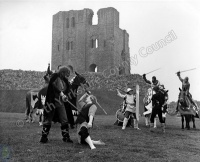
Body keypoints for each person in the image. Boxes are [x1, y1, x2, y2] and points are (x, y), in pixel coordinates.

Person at [40, 66, 73, 143]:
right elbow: (52, 85)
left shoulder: (64, 80)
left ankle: (66, 137)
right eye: (66, 73)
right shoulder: (55, 76)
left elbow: (66, 89)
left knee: (64, 119)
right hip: (52, 101)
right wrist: (61, 93)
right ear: (62, 72)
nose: (67, 75)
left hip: (60, 102)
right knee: (48, 119)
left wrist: (65, 96)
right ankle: (43, 137)